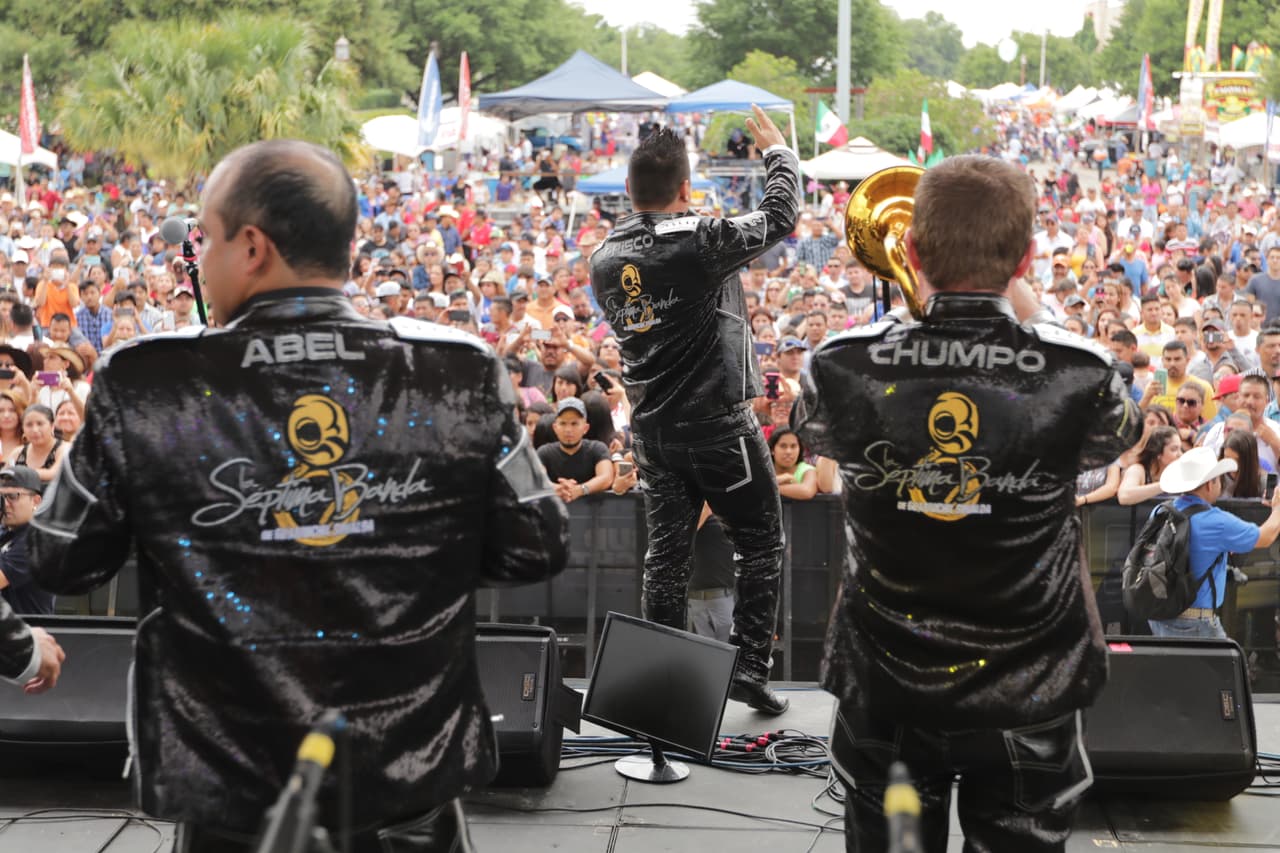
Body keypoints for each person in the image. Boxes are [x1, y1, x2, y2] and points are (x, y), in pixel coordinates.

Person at [27, 139, 570, 852]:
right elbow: (540, 542)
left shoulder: (147, 381)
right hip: (410, 780)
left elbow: (62, 559)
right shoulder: (456, 370)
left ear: (251, 246)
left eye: (205, 238)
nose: (198, 259)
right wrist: (414, 553)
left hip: (230, 787)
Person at [795, 155, 1141, 852]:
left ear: (912, 251)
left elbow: (816, 429)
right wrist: (1034, 320)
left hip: (885, 685)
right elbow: (1118, 437)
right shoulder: (1083, 373)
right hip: (1030, 691)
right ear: (1028, 256)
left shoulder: (838, 364)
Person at [590, 107, 799, 715]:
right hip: (717, 428)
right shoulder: (699, 239)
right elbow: (781, 217)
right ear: (686, 191)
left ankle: (662, 682)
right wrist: (780, 154)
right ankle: (750, 669)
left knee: (667, 555)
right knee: (760, 540)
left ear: (629, 190)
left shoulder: (603, 257)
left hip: (654, 431)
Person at [1149, 446, 1280, 639]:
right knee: (1228, 667)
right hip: (1196, 622)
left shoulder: (1161, 510)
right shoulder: (1216, 521)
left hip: (1158, 613)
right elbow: (1266, 536)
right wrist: (1278, 509)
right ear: (1210, 484)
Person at [536, 397, 614, 504]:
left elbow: (606, 477)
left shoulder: (597, 448)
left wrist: (580, 490)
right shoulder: (544, 452)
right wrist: (556, 489)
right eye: (563, 423)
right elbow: (536, 479)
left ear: (585, 428)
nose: (568, 430)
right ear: (555, 428)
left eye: (574, 424)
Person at [0, 464, 53, 615]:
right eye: (1, 497)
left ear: (36, 501)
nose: (5, 504)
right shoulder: (6, 531)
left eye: (13, 496)